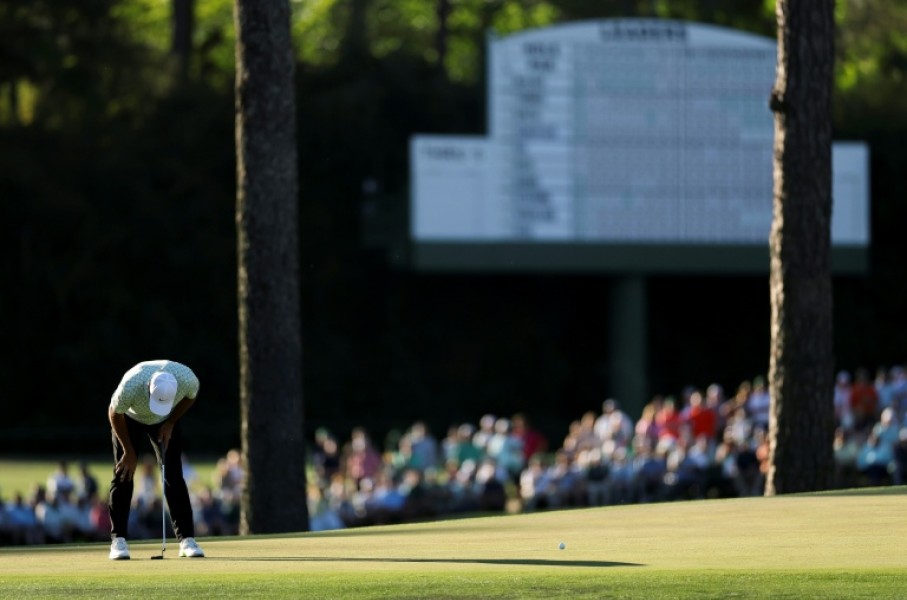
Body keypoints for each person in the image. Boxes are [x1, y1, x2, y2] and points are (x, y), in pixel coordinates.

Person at [107, 359, 205, 560]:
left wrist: (170, 422)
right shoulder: (131, 385)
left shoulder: (187, 379)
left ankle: (187, 540)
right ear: (147, 388)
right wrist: (129, 451)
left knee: (174, 475)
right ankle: (118, 541)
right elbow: (114, 413)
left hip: (164, 421)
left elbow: (191, 397)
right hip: (129, 418)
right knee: (123, 473)